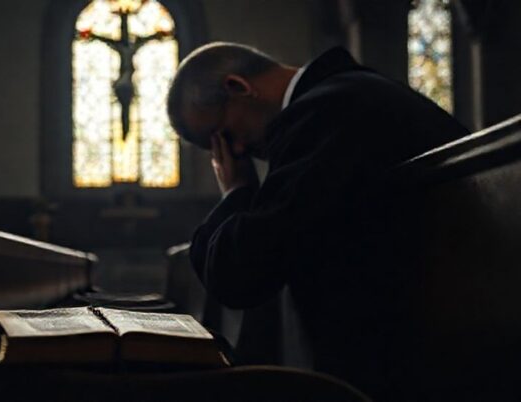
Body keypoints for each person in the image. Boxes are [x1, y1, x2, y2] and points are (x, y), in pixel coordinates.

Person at [166, 42, 469, 399]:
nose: (236, 152)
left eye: (223, 136)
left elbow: (241, 271)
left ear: (238, 87)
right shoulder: (346, 95)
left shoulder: (326, 111)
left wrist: (236, 191)